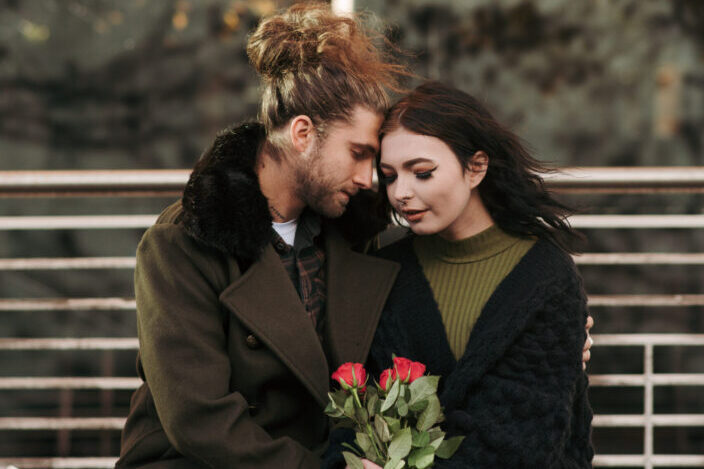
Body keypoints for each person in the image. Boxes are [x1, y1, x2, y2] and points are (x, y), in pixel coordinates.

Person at [116, 3, 408, 468]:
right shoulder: (183, 242)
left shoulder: (350, 236)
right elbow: (198, 420)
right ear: (302, 133)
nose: (367, 177)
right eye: (357, 153)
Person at [342, 81, 595, 468]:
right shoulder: (385, 269)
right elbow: (357, 413)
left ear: (476, 167)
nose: (400, 194)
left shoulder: (546, 277)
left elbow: (525, 440)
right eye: (390, 176)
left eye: (422, 173)